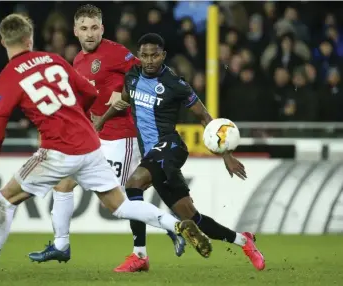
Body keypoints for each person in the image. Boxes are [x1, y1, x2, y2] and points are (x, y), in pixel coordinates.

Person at [0, 15, 212, 285]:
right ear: (30, 39)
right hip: (90, 144)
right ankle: (176, 225)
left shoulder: (7, 77)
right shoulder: (54, 60)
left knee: (6, 199)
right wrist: (78, 116)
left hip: (58, 149)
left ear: (3, 41)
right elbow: (88, 92)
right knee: (120, 205)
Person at [28, 4, 185, 272]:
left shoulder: (114, 52)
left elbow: (146, 73)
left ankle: (171, 228)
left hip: (120, 137)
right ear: (76, 31)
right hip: (93, 138)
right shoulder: (78, 60)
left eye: (94, 28)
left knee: (120, 202)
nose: (90, 34)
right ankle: (61, 245)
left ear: (102, 28)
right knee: (64, 184)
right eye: (84, 28)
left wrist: (126, 93)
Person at [96, 33, 266, 271]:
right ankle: (244, 240)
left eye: (155, 55)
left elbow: (205, 117)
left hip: (171, 146)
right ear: (139, 57)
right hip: (152, 156)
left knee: (133, 184)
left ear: (163, 55)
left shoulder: (175, 84)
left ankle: (140, 255)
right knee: (192, 218)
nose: (149, 60)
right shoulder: (132, 77)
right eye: (144, 55)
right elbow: (123, 101)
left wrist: (226, 154)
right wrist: (100, 122)